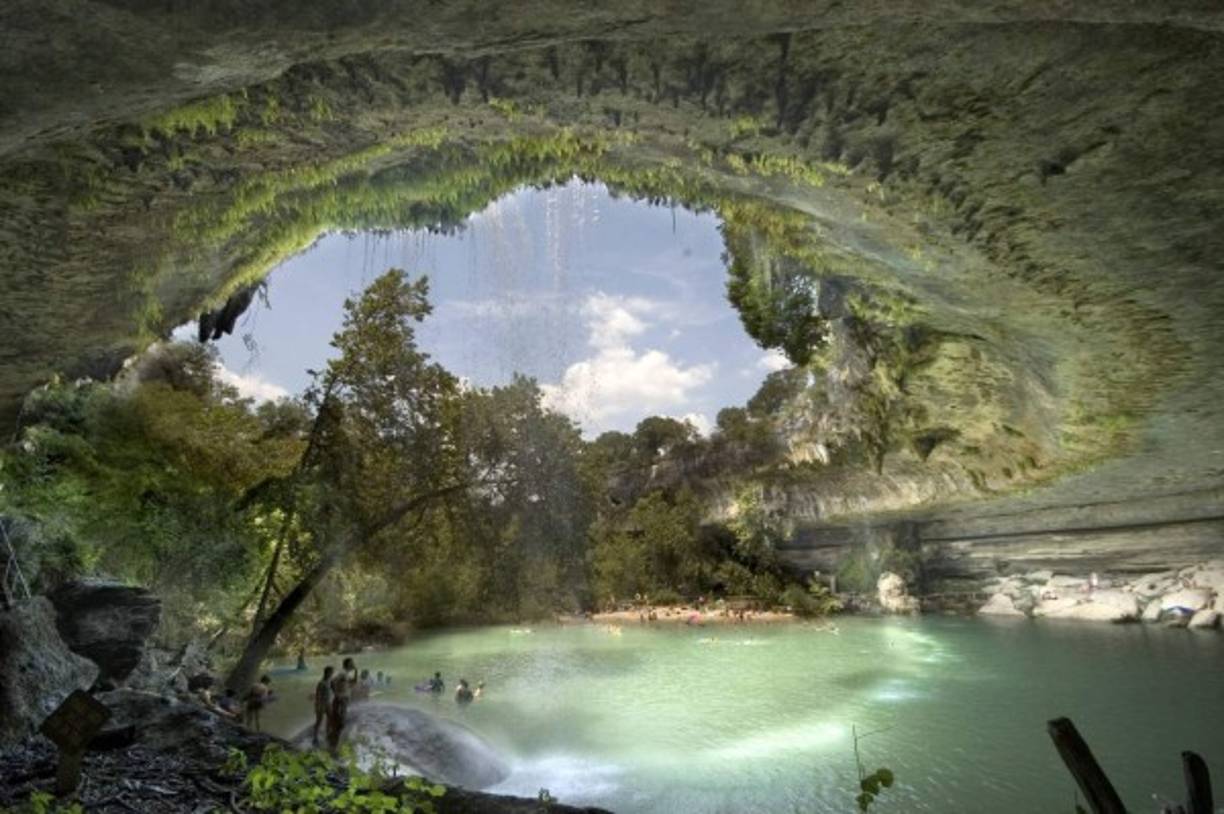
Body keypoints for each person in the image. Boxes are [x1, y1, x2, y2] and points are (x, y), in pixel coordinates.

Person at [327, 658, 357, 752]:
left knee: (341, 720)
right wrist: (337, 694)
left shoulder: (346, 674)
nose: (354, 664)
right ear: (348, 664)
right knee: (340, 721)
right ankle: (334, 746)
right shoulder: (342, 673)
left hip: (344, 699)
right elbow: (332, 682)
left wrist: (356, 671)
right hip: (341, 699)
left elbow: (354, 682)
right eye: (352, 663)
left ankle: (334, 744)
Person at [312, 666, 335, 746]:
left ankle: (327, 734)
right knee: (319, 721)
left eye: (332, 672)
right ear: (327, 673)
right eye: (331, 672)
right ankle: (315, 737)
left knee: (330, 719)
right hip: (321, 704)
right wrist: (317, 706)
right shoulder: (321, 683)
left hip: (328, 703)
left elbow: (334, 692)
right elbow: (317, 695)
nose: (332, 674)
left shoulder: (330, 681)